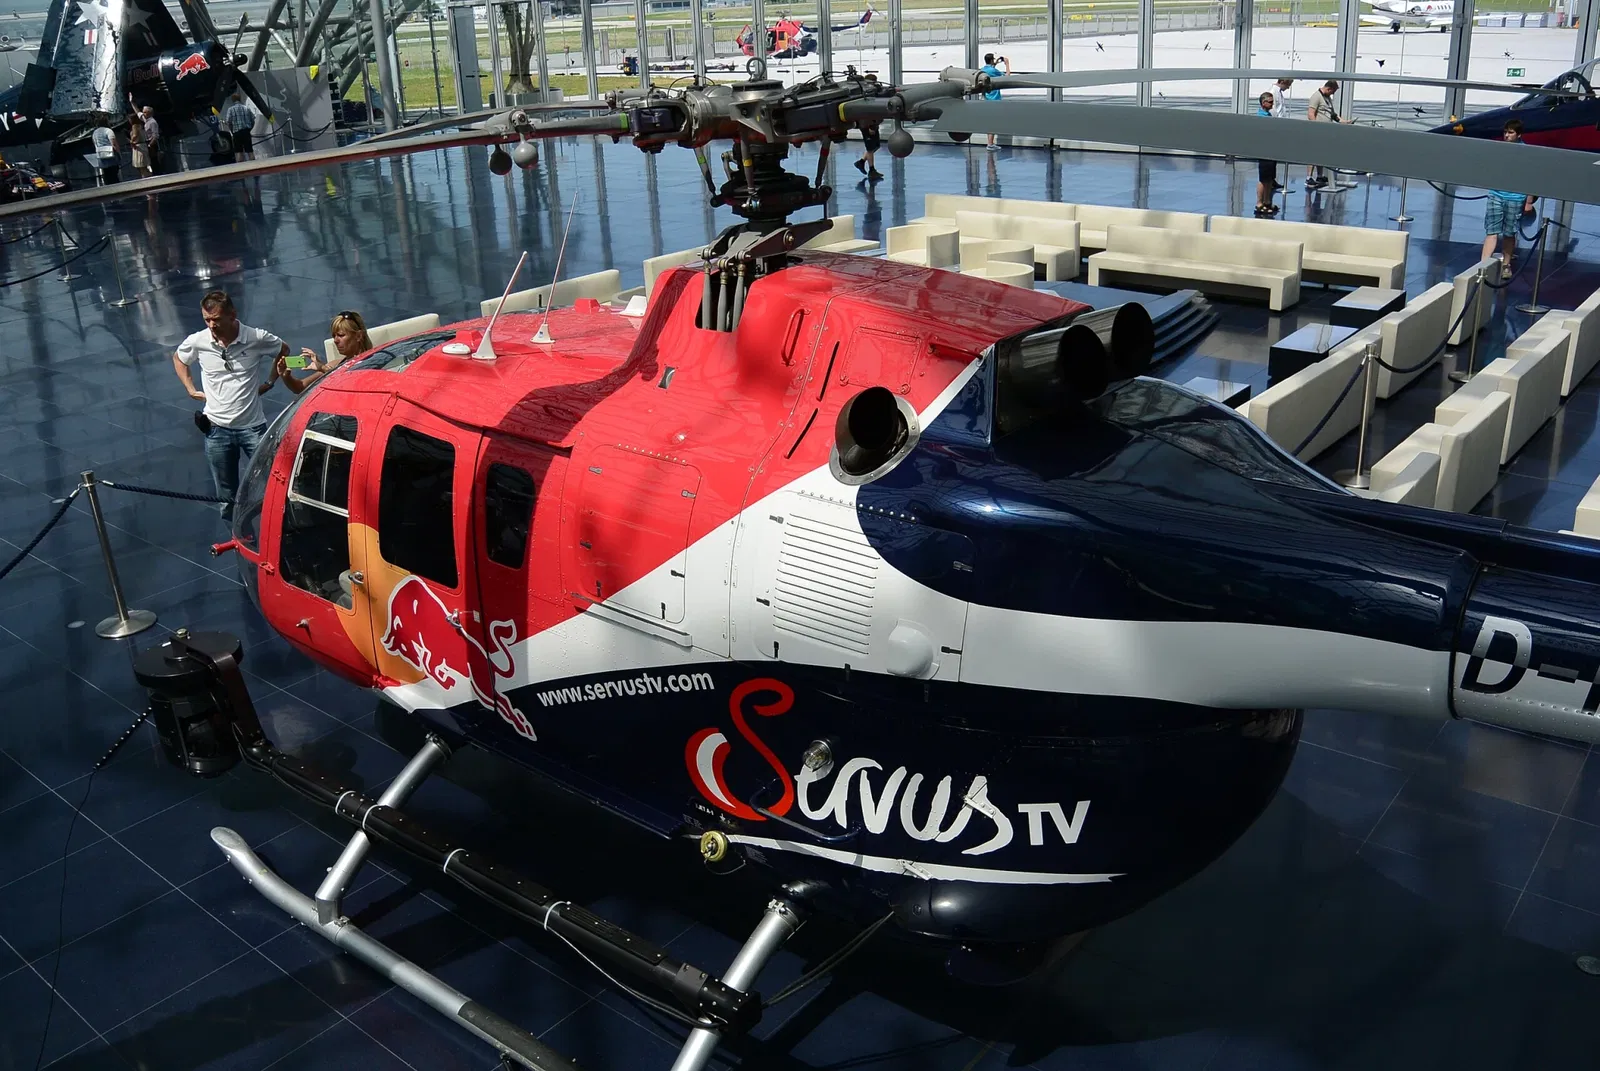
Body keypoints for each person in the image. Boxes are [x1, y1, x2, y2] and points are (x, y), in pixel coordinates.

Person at [172, 290, 290, 520]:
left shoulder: (256, 337)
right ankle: (238, 538)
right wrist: (189, 387)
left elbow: (283, 350)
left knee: (272, 484)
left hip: (253, 429)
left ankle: (278, 528)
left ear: (232, 314)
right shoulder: (199, 341)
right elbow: (179, 358)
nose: (211, 325)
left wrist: (269, 381)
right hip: (216, 431)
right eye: (207, 319)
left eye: (216, 319)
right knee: (226, 495)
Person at [1482, 119, 1536, 276]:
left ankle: (1506, 265)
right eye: (1505, 132)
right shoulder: (1498, 149)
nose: (1507, 135)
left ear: (1518, 134)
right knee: (1491, 231)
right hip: (1496, 194)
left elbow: (1530, 178)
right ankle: (1483, 265)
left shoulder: (1526, 152)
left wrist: (1529, 200)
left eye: (1510, 132)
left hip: (1515, 197)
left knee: (1509, 232)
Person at [279, 310, 370, 393]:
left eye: (341, 335)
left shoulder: (372, 363)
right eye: (334, 336)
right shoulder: (336, 364)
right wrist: (286, 377)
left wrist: (324, 368)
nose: (335, 340)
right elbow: (301, 387)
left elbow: (351, 383)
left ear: (358, 336)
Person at [1304, 80, 1352, 189]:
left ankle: (1319, 176)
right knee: (1313, 154)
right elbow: (1311, 114)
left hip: (1325, 132)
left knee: (1321, 154)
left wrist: (1344, 121)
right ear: (1329, 88)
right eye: (1332, 91)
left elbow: (1332, 114)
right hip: (1318, 131)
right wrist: (1317, 128)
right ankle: (1308, 177)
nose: (1332, 94)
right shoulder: (1316, 96)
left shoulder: (1327, 98)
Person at [1254, 91, 1279, 218]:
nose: (1272, 104)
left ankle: (1267, 201)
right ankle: (1259, 203)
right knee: (1263, 179)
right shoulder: (1261, 116)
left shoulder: (1268, 115)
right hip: (1264, 151)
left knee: (1269, 178)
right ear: (1263, 103)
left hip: (1271, 150)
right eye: (1270, 102)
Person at [979, 52, 1009, 150]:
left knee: (989, 121)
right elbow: (1007, 77)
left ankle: (990, 142)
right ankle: (990, 144)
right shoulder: (994, 70)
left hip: (986, 99)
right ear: (991, 60)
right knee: (993, 122)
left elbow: (989, 71)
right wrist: (1007, 64)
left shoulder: (982, 70)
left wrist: (994, 63)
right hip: (994, 99)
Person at [224, 93, 257, 161]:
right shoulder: (246, 108)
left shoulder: (230, 109)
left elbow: (228, 122)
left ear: (232, 100)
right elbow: (253, 120)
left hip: (236, 132)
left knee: (239, 152)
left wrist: (232, 130)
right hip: (246, 131)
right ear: (240, 99)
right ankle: (255, 166)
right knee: (250, 151)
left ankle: (241, 168)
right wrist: (249, 129)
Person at [855, 117, 883, 181]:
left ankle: (861, 162)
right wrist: (871, 127)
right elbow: (867, 113)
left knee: (876, 146)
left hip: (873, 124)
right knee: (870, 148)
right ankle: (871, 170)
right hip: (867, 125)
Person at [128, 114, 150, 178]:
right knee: (144, 166)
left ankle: (145, 179)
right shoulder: (141, 125)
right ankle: (148, 176)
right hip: (143, 145)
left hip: (138, 146)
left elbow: (135, 135)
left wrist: (131, 141)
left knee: (141, 166)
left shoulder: (134, 126)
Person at [140, 107, 161, 174]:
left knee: (154, 160)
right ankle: (154, 173)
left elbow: (155, 136)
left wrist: (150, 145)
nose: (143, 114)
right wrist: (132, 103)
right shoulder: (146, 120)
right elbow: (138, 113)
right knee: (150, 161)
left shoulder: (152, 122)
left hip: (152, 143)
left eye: (145, 112)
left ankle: (158, 173)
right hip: (147, 143)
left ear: (150, 113)